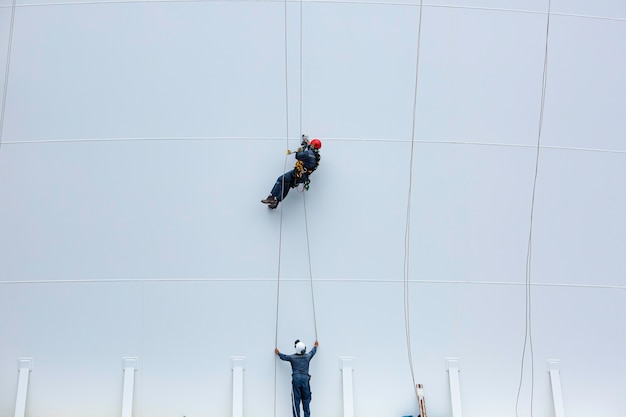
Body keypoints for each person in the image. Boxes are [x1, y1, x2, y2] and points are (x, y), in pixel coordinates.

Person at [262, 135, 322, 209]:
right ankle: (276, 201)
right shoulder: (317, 157)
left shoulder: (308, 153)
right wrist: (306, 144)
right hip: (303, 177)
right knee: (287, 184)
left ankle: (271, 197)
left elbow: (298, 156)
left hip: (298, 173)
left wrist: (302, 146)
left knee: (281, 179)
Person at [275, 339, 319, 417]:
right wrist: (315, 346)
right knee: (306, 400)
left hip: (296, 380)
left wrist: (278, 353)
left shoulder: (292, 357)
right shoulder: (307, 356)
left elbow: (284, 357)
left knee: (296, 401)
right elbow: (313, 352)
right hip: (305, 380)